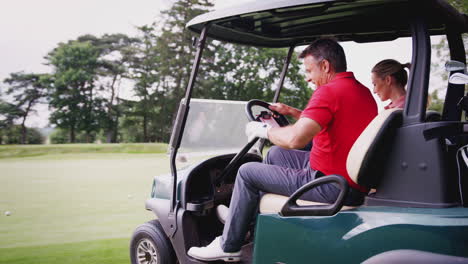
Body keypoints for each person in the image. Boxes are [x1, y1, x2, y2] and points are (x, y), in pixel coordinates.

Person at [188, 38, 378, 262]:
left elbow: (296, 138)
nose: (307, 77)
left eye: (309, 70)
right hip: (343, 175)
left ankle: (229, 245)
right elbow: (327, 121)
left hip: (331, 184)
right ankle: (247, 222)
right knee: (276, 154)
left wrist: (264, 131)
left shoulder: (328, 92)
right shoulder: (361, 91)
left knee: (247, 172)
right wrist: (290, 112)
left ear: (326, 66)